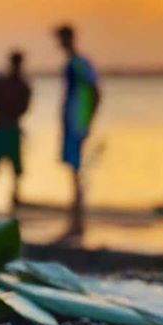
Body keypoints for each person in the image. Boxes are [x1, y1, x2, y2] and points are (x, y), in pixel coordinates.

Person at [54, 24, 101, 235]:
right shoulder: (73, 63)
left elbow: (95, 91)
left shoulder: (80, 64)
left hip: (77, 120)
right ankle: (76, 211)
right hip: (72, 120)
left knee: (76, 165)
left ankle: (78, 212)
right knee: (73, 165)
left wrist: (89, 119)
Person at [0, 50, 32, 209]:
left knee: (15, 170)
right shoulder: (2, 83)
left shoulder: (23, 86)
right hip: (0, 130)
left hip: (11, 130)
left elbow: (23, 108)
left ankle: (14, 201)